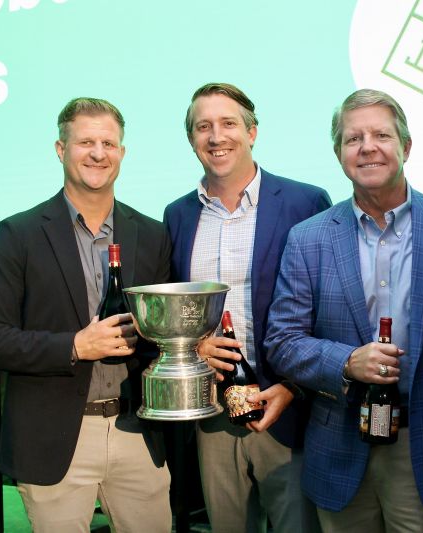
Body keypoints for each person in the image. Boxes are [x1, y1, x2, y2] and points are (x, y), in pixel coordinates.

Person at [0, 97, 172, 532]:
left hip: (137, 431)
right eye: (85, 142)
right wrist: (75, 346)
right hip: (53, 438)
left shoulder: (151, 234)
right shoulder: (17, 234)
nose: (98, 153)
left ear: (122, 152)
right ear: (61, 150)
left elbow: (163, 333)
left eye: (108, 143)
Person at [265, 88, 423, 532]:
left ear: (406, 147)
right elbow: (282, 341)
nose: (367, 147)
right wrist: (347, 361)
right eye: (353, 139)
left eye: (381, 135)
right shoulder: (308, 238)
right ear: (338, 153)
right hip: (339, 445)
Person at [164, 82, 331, 533]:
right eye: (203, 127)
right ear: (192, 139)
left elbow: (325, 308)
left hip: (287, 406)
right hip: (213, 412)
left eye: (228, 124)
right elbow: (175, 315)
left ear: (252, 132)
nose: (216, 136)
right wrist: (192, 349)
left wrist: (295, 387)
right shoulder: (177, 215)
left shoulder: (305, 202)